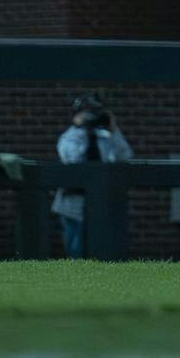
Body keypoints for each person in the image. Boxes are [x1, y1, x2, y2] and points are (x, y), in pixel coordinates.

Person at [51, 91, 133, 259]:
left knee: (100, 247)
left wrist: (113, 128)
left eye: (93, 112)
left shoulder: (105, 137)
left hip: (100, 200)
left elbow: (125, 155)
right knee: (76, 248)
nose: (90, 116)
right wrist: (81, 129)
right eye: (86, 112)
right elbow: (72, 159)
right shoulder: (70, 137)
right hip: (73, 201)